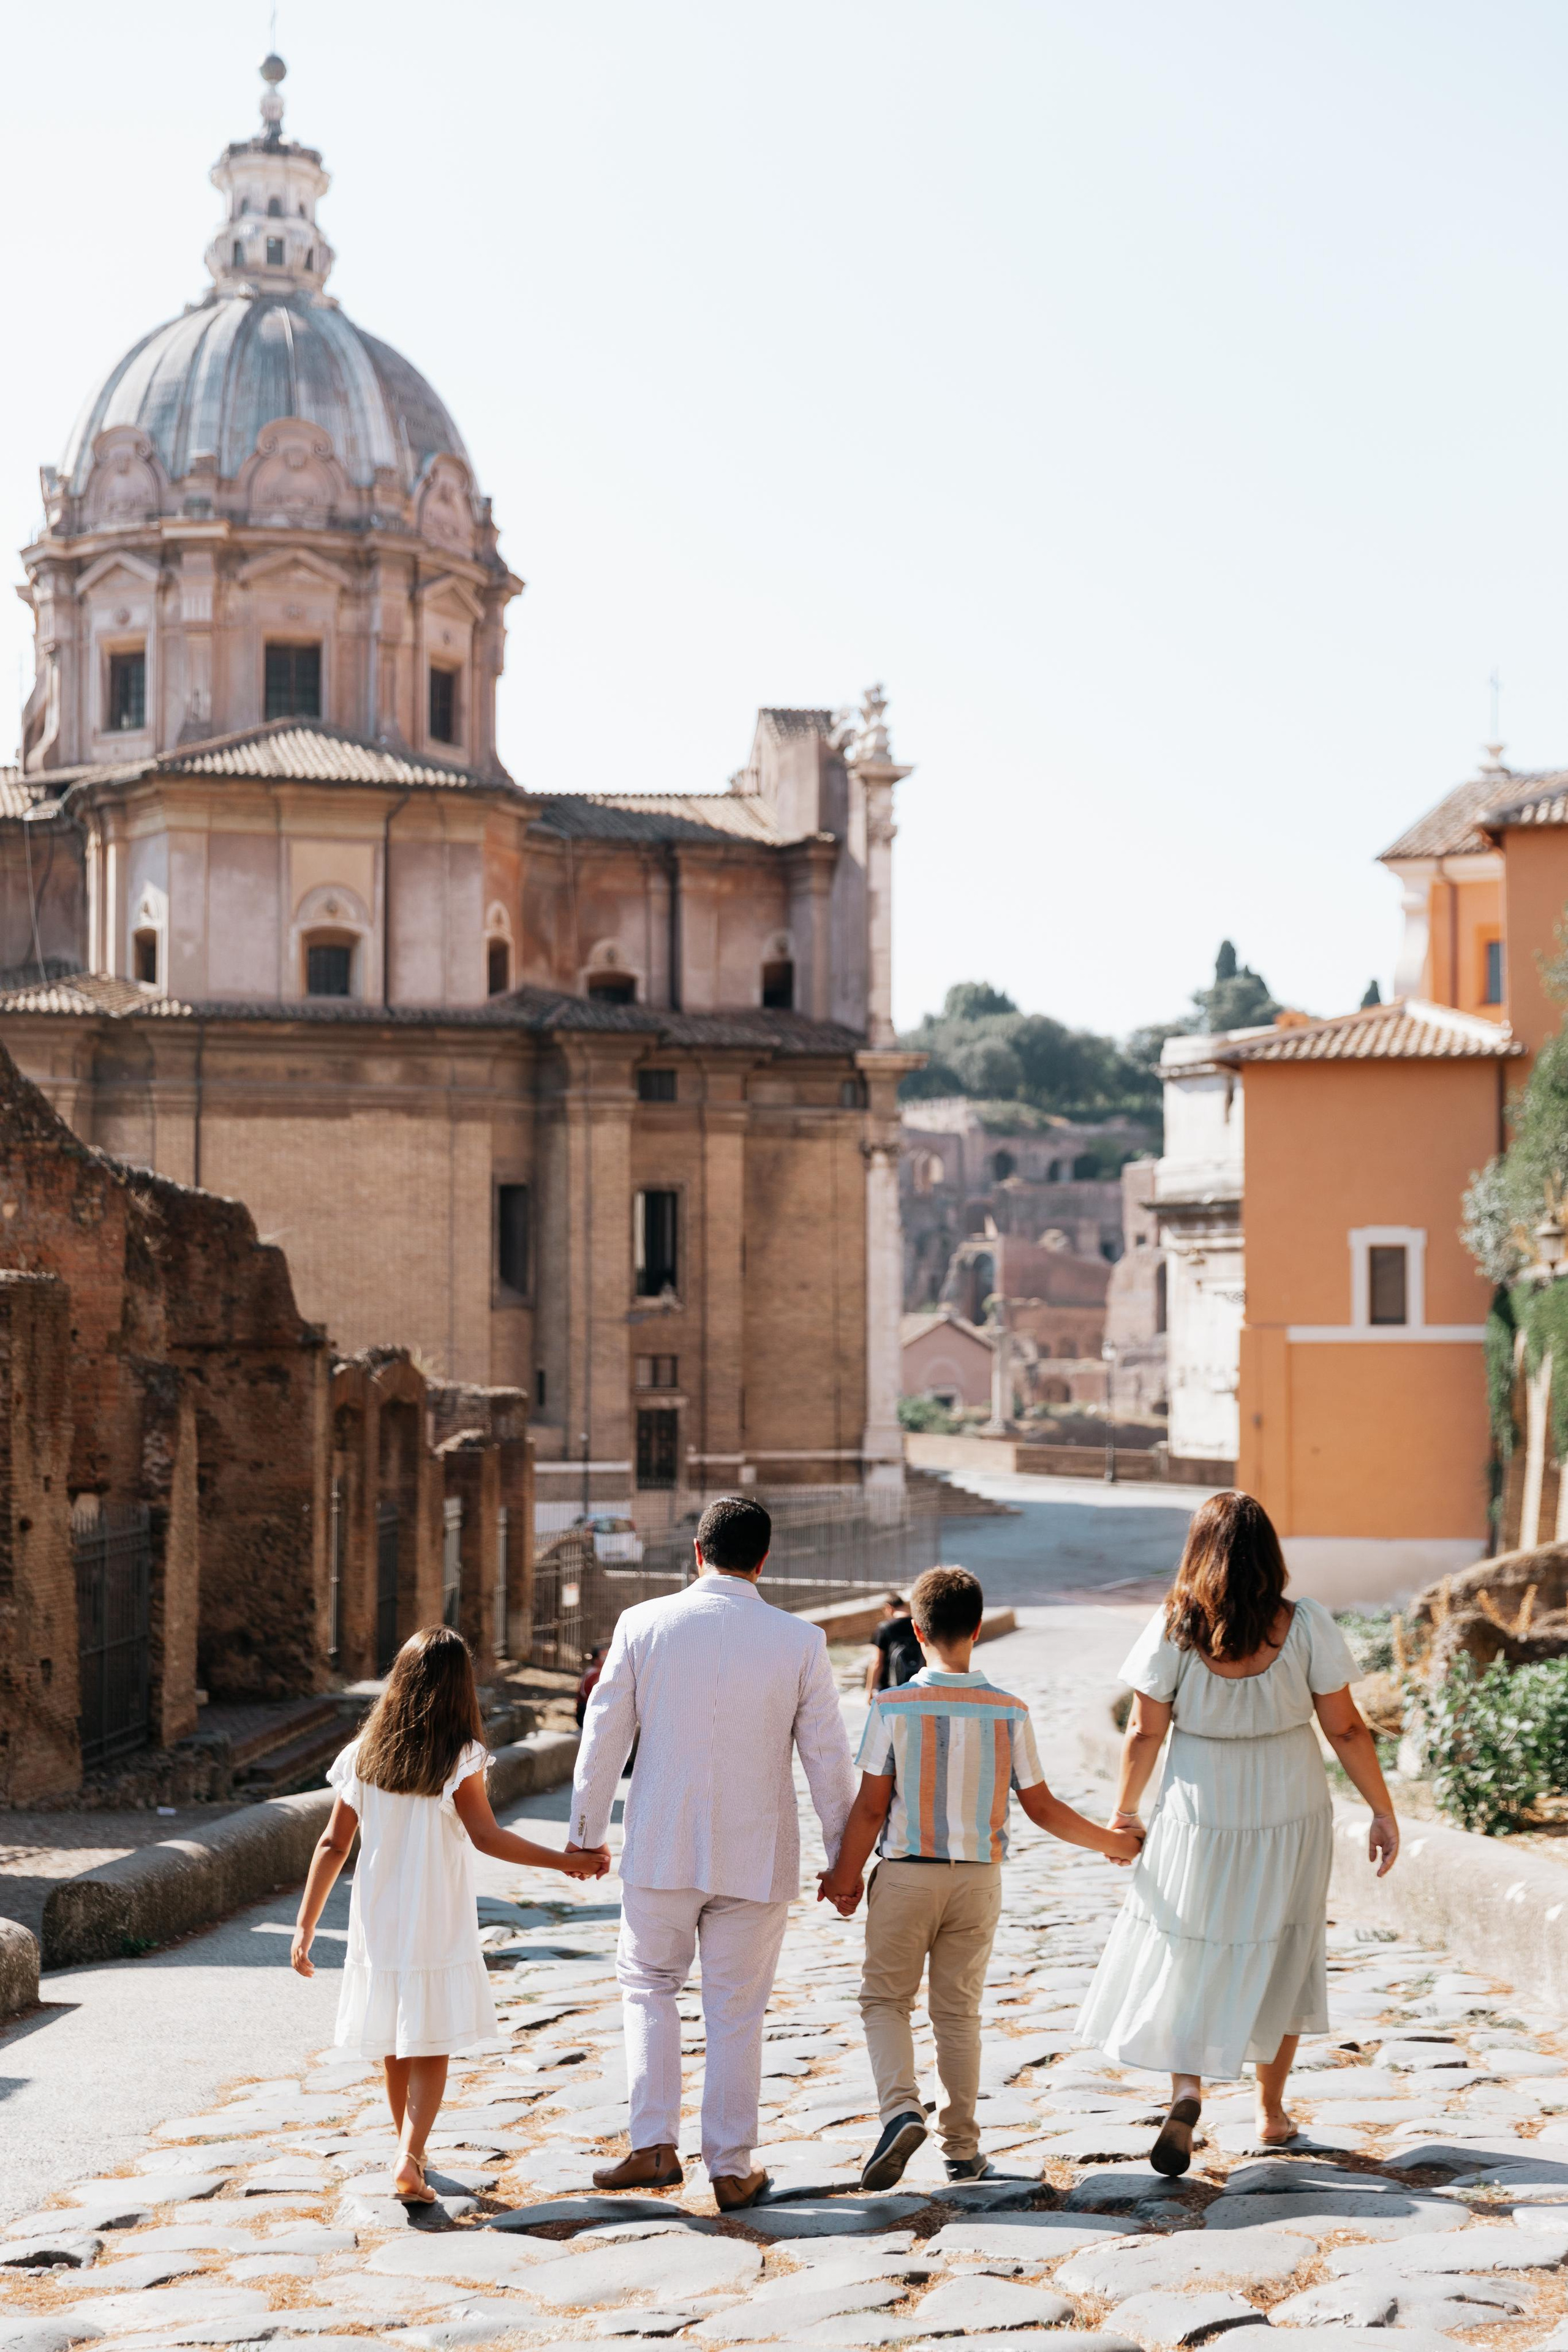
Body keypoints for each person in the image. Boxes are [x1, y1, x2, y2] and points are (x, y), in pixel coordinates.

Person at [1075, 1490, 1399, 2177]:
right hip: (1289, 1806)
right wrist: (1381, 1809)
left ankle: (1187, 2091)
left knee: (1189, 1948)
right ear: (1269, 1553)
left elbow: (1144, 1731)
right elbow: (1345, 1728)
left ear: (1199, 1551)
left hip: (1198, 1809)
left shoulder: (1175, 1624)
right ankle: (1271, 2113)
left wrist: (1125, 1811)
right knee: (1284, 1947)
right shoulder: (1304, 1622)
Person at [567, 1493, 856, 2212]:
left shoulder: (642, 1625)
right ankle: (730, 2166)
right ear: (764, 1560)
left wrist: (585, 1833)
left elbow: (603, 1736)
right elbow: (827, 1758)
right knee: (736, 2010)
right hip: (756, 1854)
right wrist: (843, 1859)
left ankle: (652, 2144)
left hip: (662, 1844)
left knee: (647, 1985)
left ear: (697, 1553)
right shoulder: (801, 1640)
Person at [820, 1565, 1143, 2192]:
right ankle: (963, 2150)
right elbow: (1042, 1808)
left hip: (907, 1876)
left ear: (916, 1631)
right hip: (977, 1881)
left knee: (885, 2001)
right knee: (958, 2014)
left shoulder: (892, 1707)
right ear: (976, 1629)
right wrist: (1115, 1843)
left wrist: (844, 1877)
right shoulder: (1009, 1712)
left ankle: (901, 2111)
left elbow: (870, 1808)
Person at [291, 1625, 606, 2204]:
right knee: (429, 2040)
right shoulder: (460, 1757)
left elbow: (333, 1844)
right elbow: (487, 1838)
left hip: (377, 1915)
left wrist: (306, 1923)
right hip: (434, 1912)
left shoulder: (361, 1756)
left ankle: (408, 2151)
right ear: (462, 1688)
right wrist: (566, 1862)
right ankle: (410, 2158)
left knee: (393, 2037)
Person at [862, 1593, 923, 1700]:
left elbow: (877, 1662)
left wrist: (870, 1690)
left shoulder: (885, 1627)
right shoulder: (918, 1625)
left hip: (891, 1689)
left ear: (888, 1607)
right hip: (918, 1685)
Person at [576, 1643, 609, 1727]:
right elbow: (584, 1693)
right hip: (588, 1709)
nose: (606, 1660)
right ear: (596, 1660)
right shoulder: (592, 1673)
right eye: (603, 1657)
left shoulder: (603, 1672)